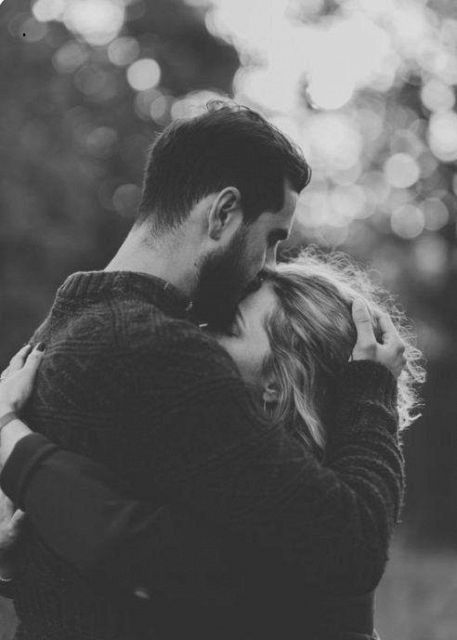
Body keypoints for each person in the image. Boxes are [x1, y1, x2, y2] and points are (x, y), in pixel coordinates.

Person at [0, 103, 408, 640]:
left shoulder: (60, 327)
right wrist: (370, 391)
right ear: (222, 213)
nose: (269, 265)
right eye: (272, 238)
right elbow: (347, 548)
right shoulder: (151, 346)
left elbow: (140, 547)